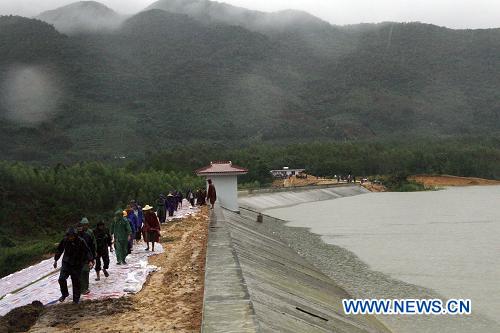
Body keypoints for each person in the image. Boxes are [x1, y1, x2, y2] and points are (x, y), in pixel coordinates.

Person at [54, 227, 93, 304]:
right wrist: (56, 260)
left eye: (72, 236)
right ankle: (64, 294)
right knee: (61, 279)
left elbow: (87, 251)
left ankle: (76, 300)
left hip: (77, 264)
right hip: (66, 262)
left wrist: (90, 260)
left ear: (75, 235)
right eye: (69, 236)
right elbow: (60, 250)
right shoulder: (65, 240)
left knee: (76, 282)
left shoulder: (81, 241)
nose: (71, 238)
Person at [77, 218, 96, 295]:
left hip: (87, 256)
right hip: (78, 258)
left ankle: (85, 287)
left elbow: (92, 245)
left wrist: (93, 257)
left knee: (86, 272)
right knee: (80, 273)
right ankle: (82, 288)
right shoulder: (75, 237)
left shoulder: (88, 234)